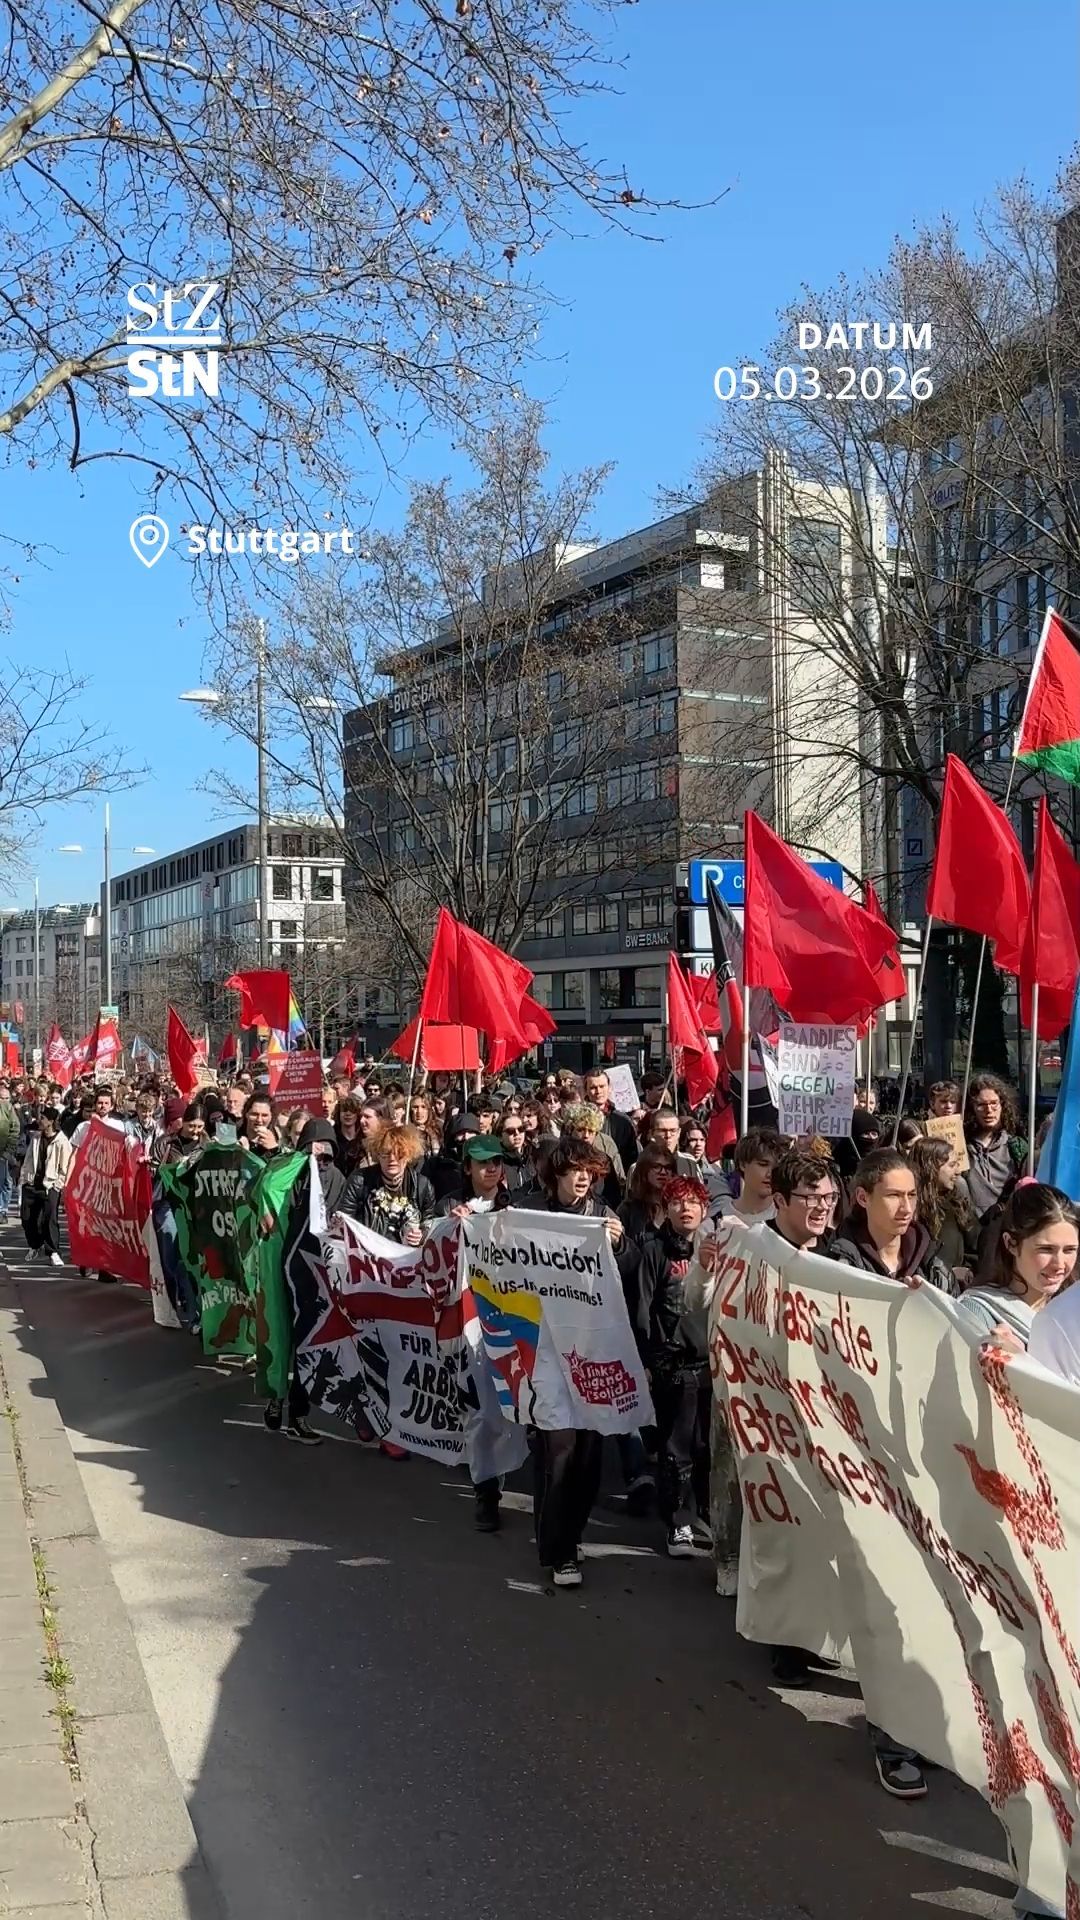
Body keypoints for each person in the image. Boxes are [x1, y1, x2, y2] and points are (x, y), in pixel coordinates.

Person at [826, 1147, 956, 1800]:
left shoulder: (931, 1262)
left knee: (933, 1603)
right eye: (894, 1196)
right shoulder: (832, 1265)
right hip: (860, 1459)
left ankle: (919, 1726)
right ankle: (893, 1737)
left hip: (926, 1460)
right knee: (890, 1603)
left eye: (913, 1197)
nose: (907, 1208)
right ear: (863, 1199)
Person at [516, 1139, 637, 1587]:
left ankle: (573, 1530)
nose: (583, 1178)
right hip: (546, 1351)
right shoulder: (531, 1213)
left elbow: (630, 1275)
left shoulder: (604, 1216)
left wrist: (620, 1247)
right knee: (558, 1450)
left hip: (592, 1351)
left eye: (590, 1170)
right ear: (555, 1176)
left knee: (588, 1453)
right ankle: (558, 1549)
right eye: (573, 1170)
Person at [637, 1176, 712, 1557]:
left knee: (705, 1446)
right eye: (677, 1202)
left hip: (711, 1362)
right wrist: (649, 1361)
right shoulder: (652, 1250)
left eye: (693, 1202)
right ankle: (677, 1522)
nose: (686, 1209)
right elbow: (643, 1308)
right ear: (665, 1209)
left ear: (705, 1209)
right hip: (672, 1362)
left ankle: (705, 1516)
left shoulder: (715, 1248)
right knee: (675, 1446)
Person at [960, 1183, 1078, 1346]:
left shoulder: (1072, 1309)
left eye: (1069, 1250)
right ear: (1011, 1244)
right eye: (1046, 1249)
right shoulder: (976, 1313)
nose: (1059, 1264)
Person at [341, 1122, 436, 1243]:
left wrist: (421, 1234)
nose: (392, 1159)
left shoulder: (422, 1186)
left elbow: (430, 1222)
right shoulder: (359, 1181)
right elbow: (345, 1220)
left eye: (399, 1154)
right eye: (385, 1153)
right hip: (369, 1253)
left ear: (409, 1156)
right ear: (377, 1155)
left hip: (407, 1256)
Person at [908, 1136, 979, 1287]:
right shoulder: (908, 1212)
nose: (958, 1172)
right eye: (952, 1165)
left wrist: (965, 1271)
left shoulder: (958, 1206)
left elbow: (977, 1246)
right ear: (931, 1167)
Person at [963, 1074, 1027, 1221]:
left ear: (1002, 1106)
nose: (989, 1110)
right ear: (972, 1108)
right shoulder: (962, 1146)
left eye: (994, 1104)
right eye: (981, 1105)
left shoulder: (1016, 1146)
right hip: (970, 1228)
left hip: (1006, 1224)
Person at [19, 1106, 73, 1266]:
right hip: (31, 1184)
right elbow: (29, 1159)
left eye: (42, 1118)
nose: (39, 1121)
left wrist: (58, 1184)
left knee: (50, 1219)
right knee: (27, 1218)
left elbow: (65, 1166)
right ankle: (35, 1245)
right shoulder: (36, 1138)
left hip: (50, 1186)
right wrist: (23, 1178)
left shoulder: (62, 1141)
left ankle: (53, 1251)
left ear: (51, 1122)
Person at [560, 1102, 625, 1205]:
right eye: (581, 1130)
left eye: (591, 1131)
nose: (586, 1135)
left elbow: (614, 1196)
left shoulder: (603, 1161)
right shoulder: (561, 1157)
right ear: (571, 1129)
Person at [716, 1126, 785, 1223]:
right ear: (742, 1164)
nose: (770, 1174)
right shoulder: (717, 1221)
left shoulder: (789, 1219)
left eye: (776, 1167)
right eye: (763, 1164)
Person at [439, 1135, 513, 1216]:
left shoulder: (515, 1203)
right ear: (467, 1168)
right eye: (484, 1161)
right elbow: (430, 1226)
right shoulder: (448, 1205)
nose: (492, 1169)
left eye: (497, 1161)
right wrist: (450, 1223)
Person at [618, 1145, 676, 1246]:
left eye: (668, 1168)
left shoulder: (677, 1207)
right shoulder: (628, 1210)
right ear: (644, 1170)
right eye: (656, 1167)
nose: (663, 1172)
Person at [582, 1069, 639, 1171]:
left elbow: (631, 1157)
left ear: (609, 1088)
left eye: (602, 1086)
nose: (598, 1091)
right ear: (585, 1090)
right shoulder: (576, 1120)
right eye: (593, 1088)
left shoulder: (623, 1121)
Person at [0, 1077, 19, 1224]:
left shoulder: (11, 1111)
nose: (4, 1101)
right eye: (2, 1098)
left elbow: (15, 1131)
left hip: (4, 1155)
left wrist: (8, 1152)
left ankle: (3, 1210)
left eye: (7, 1098)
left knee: (6, 1182)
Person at [240, 1094, 281, 1160]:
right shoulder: (235, 1137)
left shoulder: (279, 1142)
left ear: (271, 1117)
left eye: (264, 1115)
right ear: (246, 1114)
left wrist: (274, 1150)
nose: (259, 1120)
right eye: (254, 1114)